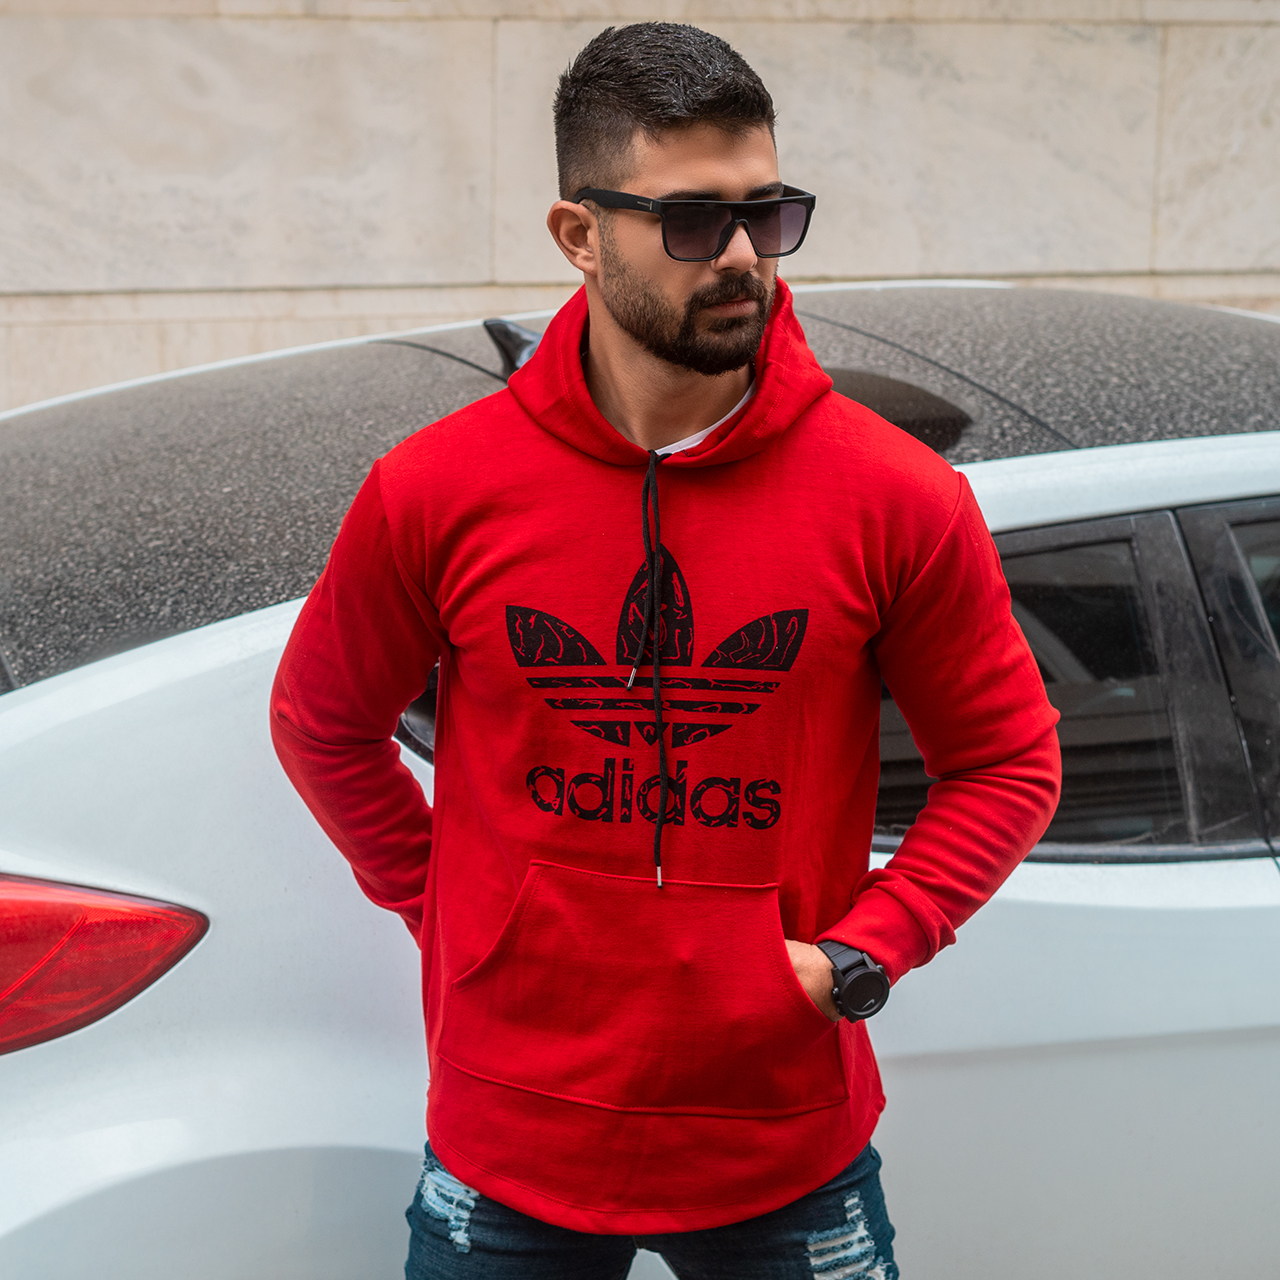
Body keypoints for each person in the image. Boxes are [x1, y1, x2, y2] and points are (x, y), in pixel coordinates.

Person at [271, 22, 1061, 1279]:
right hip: (506, 1143)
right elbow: (321, 721)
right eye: (693, 221)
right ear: (579, 234)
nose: (742, 255)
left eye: (767, 212)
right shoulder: (435, 490)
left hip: (780, 1145)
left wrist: (864, 950)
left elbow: (1007, 761)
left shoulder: (894, 498)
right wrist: (452, 909)